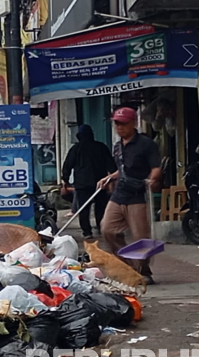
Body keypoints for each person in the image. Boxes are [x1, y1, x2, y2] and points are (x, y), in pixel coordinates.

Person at [98, 107, 162, 284]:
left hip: (138, 195)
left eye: (123, 124)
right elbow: (122, 170)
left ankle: (143, 271)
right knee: (107, 229)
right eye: (117, 124)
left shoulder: (146, 144)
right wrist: (109, 177)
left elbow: (155, 166)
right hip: (119, 194)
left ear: (134, 123)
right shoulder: (118, 146)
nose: (119, 127)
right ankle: (126, 266)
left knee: (141, 237)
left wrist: (154, 178)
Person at [61, 124, 115, 240]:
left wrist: (65, 180)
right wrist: (112, 179)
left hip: (82, 184)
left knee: (83, 209)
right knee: (100, 207)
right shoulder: (101, 147)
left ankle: (87, 231)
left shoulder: (75, 149)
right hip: (100, 183)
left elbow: (67, 165)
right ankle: (101, 227)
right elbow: (111, 165)